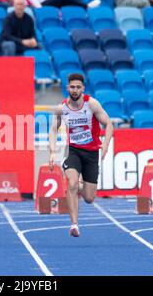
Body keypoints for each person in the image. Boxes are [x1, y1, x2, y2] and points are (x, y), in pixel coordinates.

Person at [48, 73, 114, 237]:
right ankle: (74, 225)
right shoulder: (61, 108)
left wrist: (105, 145)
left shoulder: (91, 104)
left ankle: (83, 184)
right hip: (73, 151)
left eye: (78, 87)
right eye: (72, 87)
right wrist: (52, 153)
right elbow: (53, 129)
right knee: (71, 183)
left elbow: (109, 124)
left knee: (89, 198)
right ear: (67, 88)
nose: (75, 90)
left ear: (83, 88)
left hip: (91, 153)